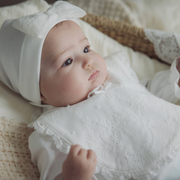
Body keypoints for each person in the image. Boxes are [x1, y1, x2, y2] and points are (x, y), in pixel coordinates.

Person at [1, 1, 180, 180]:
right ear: (39, 92)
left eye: (86, 49)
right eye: (68, 61)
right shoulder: (53, 132)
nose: (88, 61)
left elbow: (148, 95)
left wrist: (174, 78)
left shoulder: (116, 74)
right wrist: (74, 175)